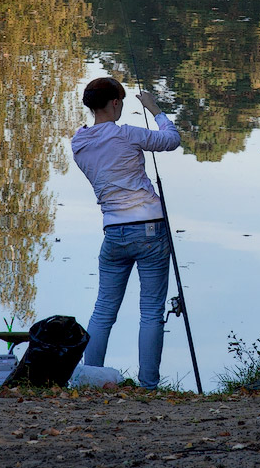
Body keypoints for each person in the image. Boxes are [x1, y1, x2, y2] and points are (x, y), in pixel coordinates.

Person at [71, 76, 180, 389]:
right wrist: (155, 110)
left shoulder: (79, 143)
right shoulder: (126, 135)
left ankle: (90, 380)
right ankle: (148, 386)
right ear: (115, 103)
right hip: (150, 229)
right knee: (150, 312)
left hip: (114, 233)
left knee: (103, 310)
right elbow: (171, 140)